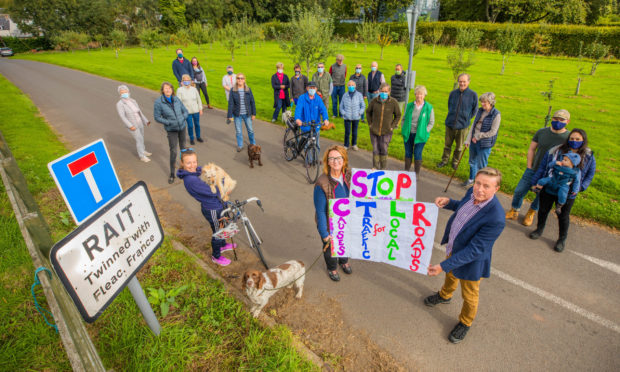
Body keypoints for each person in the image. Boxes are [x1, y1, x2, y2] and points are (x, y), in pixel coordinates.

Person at [425, 167, 506, 344]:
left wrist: (442, 266)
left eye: (486, 186)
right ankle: (445, 295)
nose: (480, 189)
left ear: (496, 189)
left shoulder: (496, 217)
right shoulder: (471, 193)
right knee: (450, 275)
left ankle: (465, 322)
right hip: (454, 249)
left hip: (471, 262)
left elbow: (474, 250)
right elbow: (462, 206)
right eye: (478, 183)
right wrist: (449, 202)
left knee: (469, 295)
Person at [529, 129, 595, 252]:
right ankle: (539, 230)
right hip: (550, 186)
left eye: (577, 139)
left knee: (563, 215)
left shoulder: (588, 156)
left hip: (568, 192)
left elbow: (590, 174)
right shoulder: (557, 150)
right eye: (572, 138)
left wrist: (581, 187)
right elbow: (544, 165)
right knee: (543, 210)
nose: (574, 141)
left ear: (583, 141)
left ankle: (561, 239)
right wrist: (535, 181)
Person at [505, 109, 571, 226]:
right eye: (556, 119)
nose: (558, 122)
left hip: (550, 173)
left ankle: (531, 212)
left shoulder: (568, 138)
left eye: (561, 120)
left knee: (540, 196)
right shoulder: (541, 132)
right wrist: (529, 166)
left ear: (567, 121)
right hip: (534, 169)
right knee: (519, 191)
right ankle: (514, 210)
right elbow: (531, 149)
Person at [177, 149, 236, 266]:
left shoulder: (192, 173)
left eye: (194, 162)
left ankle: (223, 245)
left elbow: (201, 171)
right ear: (182, 163)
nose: (193, 165)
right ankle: (216, 255)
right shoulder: (191, 180)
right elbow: (214, 192)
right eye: (188, 163)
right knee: (218, 232)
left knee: (223, 226)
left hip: (217, 204)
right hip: (212, 208)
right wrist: (223, 181)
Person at [313, 145, 352, 281]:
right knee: (331, 248)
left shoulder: (349, 174)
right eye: (332, 159)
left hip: (346, 220)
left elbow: (366, 187)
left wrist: (372, 174)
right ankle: (332, 268)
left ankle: (343, 260)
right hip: (330, 224)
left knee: (345, 242)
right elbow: (321, 210)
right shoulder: (322, 183)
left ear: (344, 160)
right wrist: (324, 233)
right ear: (327, 162)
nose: (335, 161)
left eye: (338, 158)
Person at [438, 73, 478, 170]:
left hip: (463, 126)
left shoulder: (473, 95)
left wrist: (466, 118)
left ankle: (455, 162)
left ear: (468, 82)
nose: (462, 83)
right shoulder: (453, 93)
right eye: (460, 81)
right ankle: (444, 160)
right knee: (447, 145)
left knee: (459, 147)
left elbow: (474, 110)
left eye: (464, 81)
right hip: (450, 124)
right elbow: (449, 106)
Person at [463, 92, 501, 187]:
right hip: (473, 141)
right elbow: (473, 126)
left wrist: (478, 136)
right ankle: (472, 179)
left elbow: (493, 132)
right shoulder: (480, 111)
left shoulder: (496, 115)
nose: (482, 104)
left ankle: (481, 183)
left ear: (491, 102)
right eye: (482, 102)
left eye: (485, 102)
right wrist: (468, 139)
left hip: (485, 144)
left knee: (482, 166)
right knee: (472, 162)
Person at [154, 82, 189, 184]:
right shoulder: (158, 102)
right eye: (166, 88)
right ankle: (172, 174)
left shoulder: (176, 99)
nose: (168, 90)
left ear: (172, 90)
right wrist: (168, 122)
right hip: (171, 130)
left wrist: (183, 118)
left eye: (169, 88)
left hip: (182, 127)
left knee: (183, 149)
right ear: (163, 90)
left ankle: (183, 169)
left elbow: (185, 111)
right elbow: (157, 117)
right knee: (173, 151)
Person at [366, 83, 401, 170]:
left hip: (387, 131)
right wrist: (370, 124)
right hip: (374, 130)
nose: (384, 93)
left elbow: (398, 115)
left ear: (389, 92)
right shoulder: (374, 101)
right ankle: (375, 167)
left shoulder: (393, 102)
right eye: (382, 91)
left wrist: (392, 126)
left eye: (386, 91)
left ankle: (383, 168)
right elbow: (368, 112)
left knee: (384, 149)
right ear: (379, 91)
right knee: (375, 149)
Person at [401, 85, 434, 175]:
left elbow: (431, 122)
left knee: (417, 153)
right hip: (409, 133)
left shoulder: (428, 108)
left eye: (421, 94)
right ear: (415, 94)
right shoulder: (409, 106)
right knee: (408, 153)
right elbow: (404, 119)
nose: (419, 96)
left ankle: (416, 174)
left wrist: (425, 131)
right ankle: (406, 173)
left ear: (424, 95)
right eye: (417, 94)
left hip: (420, 135)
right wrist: (403, 128)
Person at [115, 85, 152, 162]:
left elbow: (139, 112)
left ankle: (143, 150)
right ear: (120, 94)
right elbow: (122, 117)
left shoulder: (133, 101)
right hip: (132, 126)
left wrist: (145, 121)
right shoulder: (120, 104)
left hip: (140, 123)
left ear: (128, 92)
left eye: (125, 92)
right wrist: (130, 126)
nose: (124, 93)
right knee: (139, 139)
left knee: (142, 137)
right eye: (122, 92)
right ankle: (142, 156)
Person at [294, 82, 329, 151]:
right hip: (305, 125)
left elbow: (323, 110)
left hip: (315, 126)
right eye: (310, 88)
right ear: (307, 88)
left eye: (314, 88)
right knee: (306, 145)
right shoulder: (302, 98)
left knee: (316, 145)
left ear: (316, 89)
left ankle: (315, 160)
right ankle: (308, 160)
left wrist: (325, 119)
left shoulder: (318, 99)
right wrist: (298, 119)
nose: (312, 89)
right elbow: (298, 110)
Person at [227, 73, 257, 152]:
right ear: (236, 80)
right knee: (238, 131)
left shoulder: (248, 89)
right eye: (238, 78)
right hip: (237, 115)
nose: (240, 80)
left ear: (244, 80)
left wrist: (254, 113)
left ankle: (253, 144)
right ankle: (240, 145)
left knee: (250, 130)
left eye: (242, 78)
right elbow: (231, 103)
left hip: (247, 114)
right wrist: (229, 115)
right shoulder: (233, 90)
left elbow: (252, 102)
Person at [177, 74, 203, 145]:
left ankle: (198, 136)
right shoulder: (180, 90)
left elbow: (199, 99)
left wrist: (200, 109)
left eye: (188, 80)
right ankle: (191, 138)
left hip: (196, 111)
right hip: (187, 112)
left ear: (190, 81)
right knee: (190, 125)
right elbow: (179, 102)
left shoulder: (194, 89)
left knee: (197, 124)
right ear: (182, 81)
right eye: (185, 80)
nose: (186, 82)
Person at [340, 80, 365, 150]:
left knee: (355, 132)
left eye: (352, 85)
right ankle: (346, 145)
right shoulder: (345, 95)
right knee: (347, 132)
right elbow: (341, 106)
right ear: (347, 86)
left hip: (356, 117)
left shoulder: (359, 95)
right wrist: (343, 113)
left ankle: (354, 144)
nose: (351, 86)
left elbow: (363, 106)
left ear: (355, 86)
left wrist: (360, 112)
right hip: (347, 117)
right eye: (349, 85)